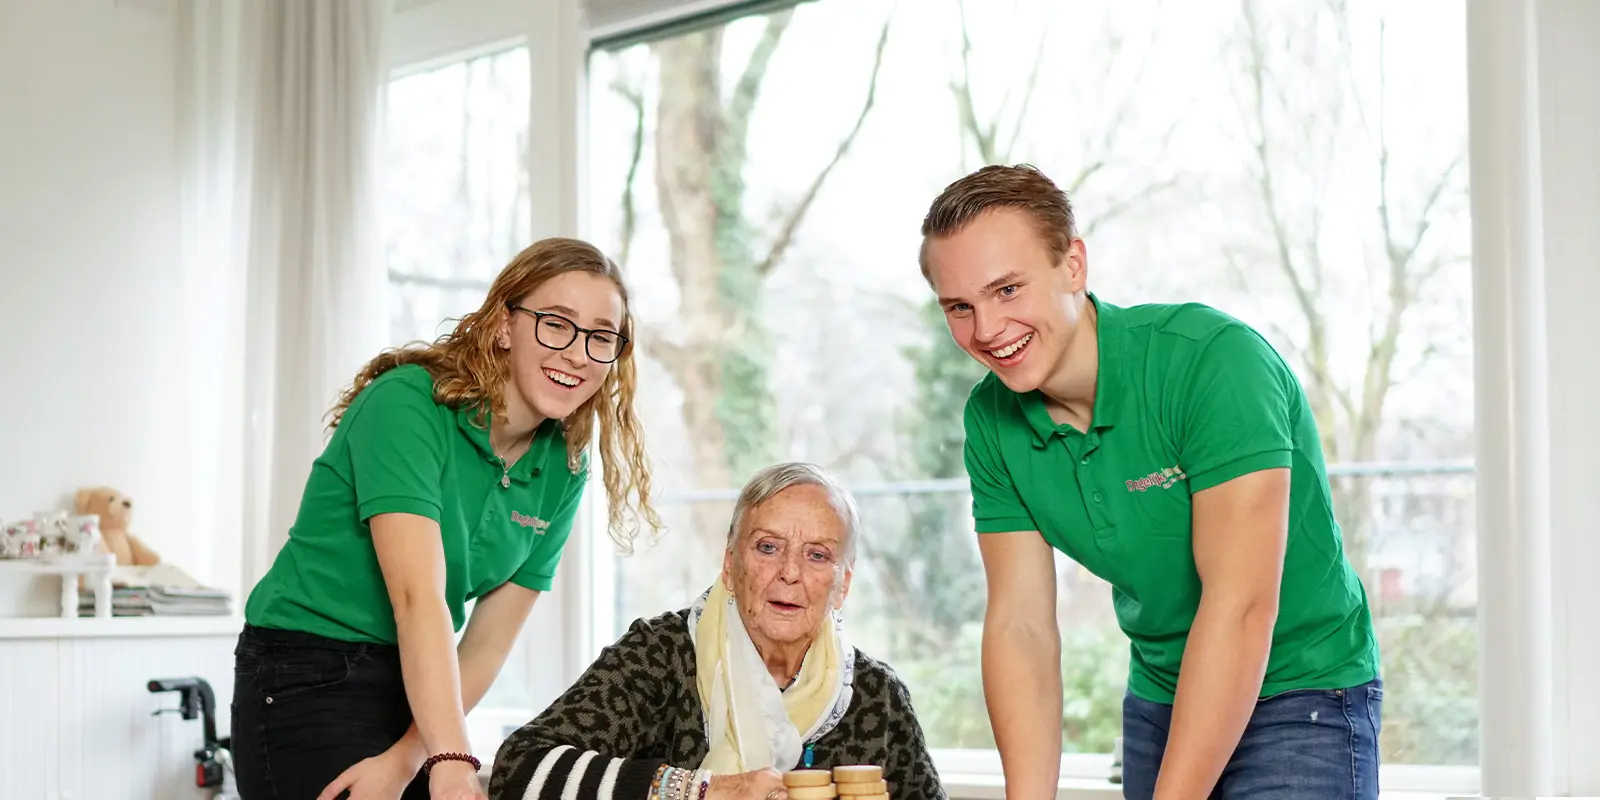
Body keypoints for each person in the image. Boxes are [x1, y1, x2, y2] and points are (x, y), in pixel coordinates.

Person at [917, 164, 1382, 799]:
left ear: (1073, 266)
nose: (988, 330)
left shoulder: (1212, 363)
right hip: (1162, 695)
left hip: (1299, 690)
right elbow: (1020, 626)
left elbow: (1241, 606)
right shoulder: (992, 420)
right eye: (960, 307)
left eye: (1007, 290)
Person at [231, 237, 662, 800]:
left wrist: (415, 755)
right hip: (306, 673)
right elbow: (418, 600)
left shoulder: (565, 465)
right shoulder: (406, 405)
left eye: (602, 337)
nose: (578, 353)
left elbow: (486, 644)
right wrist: (452, 757)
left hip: (424, 689)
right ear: (505, 324)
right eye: (557, 324)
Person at [487, 462, 946, 800]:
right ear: (730, 565)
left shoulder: (876, 698)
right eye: (767, 547)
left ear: (842, 584)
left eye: (817, 555)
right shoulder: (661, 656)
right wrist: (705, 790)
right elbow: (519, 770)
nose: (789, 572)